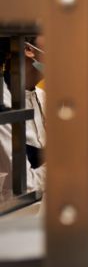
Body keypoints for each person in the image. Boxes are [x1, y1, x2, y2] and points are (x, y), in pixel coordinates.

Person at [0, 36, 47, 192]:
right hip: (15, 213)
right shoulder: (4, 105)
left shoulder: (42, 96)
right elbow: (24, 186)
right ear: (28, 49)